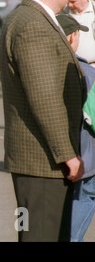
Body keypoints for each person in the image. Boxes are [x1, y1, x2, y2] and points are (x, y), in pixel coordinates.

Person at [0, 0, 85, 242]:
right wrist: (67, 154)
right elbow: (45, 97)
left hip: (40, 159)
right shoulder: (34, 24)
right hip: (43, 161)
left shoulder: (28, 17)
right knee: (40, 235)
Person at [56, 13, 95, 242]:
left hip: (53, 158)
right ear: (72, 36)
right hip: (86, 158)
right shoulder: (87, 72)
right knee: (83, 203)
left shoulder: (41, 68)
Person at [67, 0, 95, 66]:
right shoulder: (63, 14)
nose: (69, 5)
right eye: (67, 2)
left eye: (73, 1)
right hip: (74, 67)